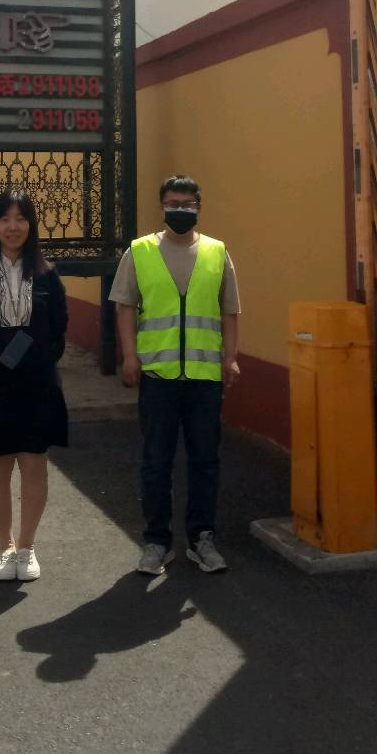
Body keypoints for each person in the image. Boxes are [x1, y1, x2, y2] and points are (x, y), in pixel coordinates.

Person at [111, 175, 241, 576]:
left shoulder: (217, 252)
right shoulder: (140, 252)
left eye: (187, 204)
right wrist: (129, 356)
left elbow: (230, 311)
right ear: (162, 206)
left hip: (204, 377)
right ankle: (157, 542)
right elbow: (125, 307)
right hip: (158, 376)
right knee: (156, 462)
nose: (180, 210)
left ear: (199, 206)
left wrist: (231, 359)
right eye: (173, 203)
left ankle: (202, 539)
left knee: (205, 462)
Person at [0, 188, 69, 583]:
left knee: (34, 464)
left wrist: (33, 360)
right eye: (4, 218)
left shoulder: (48, 275)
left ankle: (27, 547)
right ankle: (5, 548)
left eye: (20, 218)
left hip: (36, 386)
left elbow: (58, 333)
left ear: (31, 225)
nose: (12, 226)